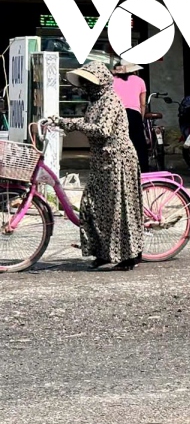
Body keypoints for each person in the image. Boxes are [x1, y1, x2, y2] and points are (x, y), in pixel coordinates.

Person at [47, 61, 143, 271]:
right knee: (92, 206)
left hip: (117, 160)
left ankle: (129, 256)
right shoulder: (95, 101)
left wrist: (72, 124)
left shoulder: (110, 100)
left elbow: (102, 130)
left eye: (88, 82)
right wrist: (63, 121)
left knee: (118, 210)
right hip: (101, 160)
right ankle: (103, 253)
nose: (84, 86)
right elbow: (88, 121)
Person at [111, 63, 148, 171]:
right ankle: (142, 170)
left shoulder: (112, 81)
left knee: (118, 143)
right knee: (139, 144)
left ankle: (120, 170)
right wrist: (141, 119)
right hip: (134, 114)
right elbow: (143, 104)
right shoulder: (140, 81)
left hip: (117, 114)